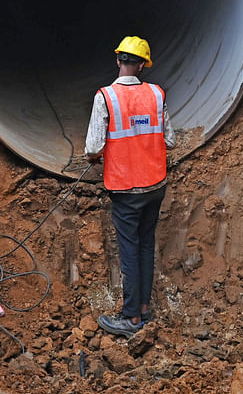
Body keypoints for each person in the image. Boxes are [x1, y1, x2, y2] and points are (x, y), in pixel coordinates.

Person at [85, 36, 176, 338]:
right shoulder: (156, 94)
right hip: (155, 184)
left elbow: (94, 146)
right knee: (146, 244)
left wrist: (98, 157)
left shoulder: (106, 97)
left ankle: (131, 318)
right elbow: (170, 139)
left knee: (129, 251)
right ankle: (145, 309)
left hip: (125, 189)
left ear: (118, 61)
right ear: (142, 65)